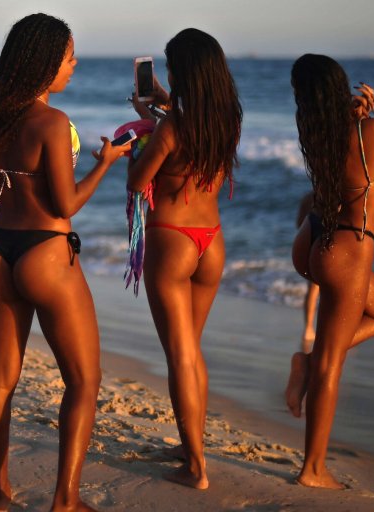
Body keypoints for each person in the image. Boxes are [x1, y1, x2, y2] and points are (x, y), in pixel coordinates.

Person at [0, 13, 130, 511]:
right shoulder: (53, 123)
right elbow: (65, 204)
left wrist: (12, 180)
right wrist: (105, 164)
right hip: (47, 255)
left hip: (0, 252)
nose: (74, 65)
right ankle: (65, 501)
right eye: (69, 57)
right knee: (83, 380)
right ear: (45, 62)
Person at [285, 54, 374, 489]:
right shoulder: (370, 131)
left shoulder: (315, 131)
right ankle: (313, 470)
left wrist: (357, 119)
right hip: (347, 249)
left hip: (313, 238)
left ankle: (308, 360)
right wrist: (371, 120)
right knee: (330, 366)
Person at [125, 28, 242, 489]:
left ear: (181, 73)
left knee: (179, 355)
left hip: (172, 241)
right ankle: (191, 443)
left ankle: (195, 468)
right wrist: (160, 107)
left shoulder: (172, 127)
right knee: (191, 349)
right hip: (211, 242)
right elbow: (189, 133)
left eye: (171, 67)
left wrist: (141, 132)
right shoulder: (226, 121)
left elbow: (138, 181)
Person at [296, 191, 319, 354]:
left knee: (313, 288)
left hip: (309, 240)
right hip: (327, 241)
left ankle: (308, 328)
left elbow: (299, 223)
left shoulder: (308, 197)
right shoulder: (336, 195)